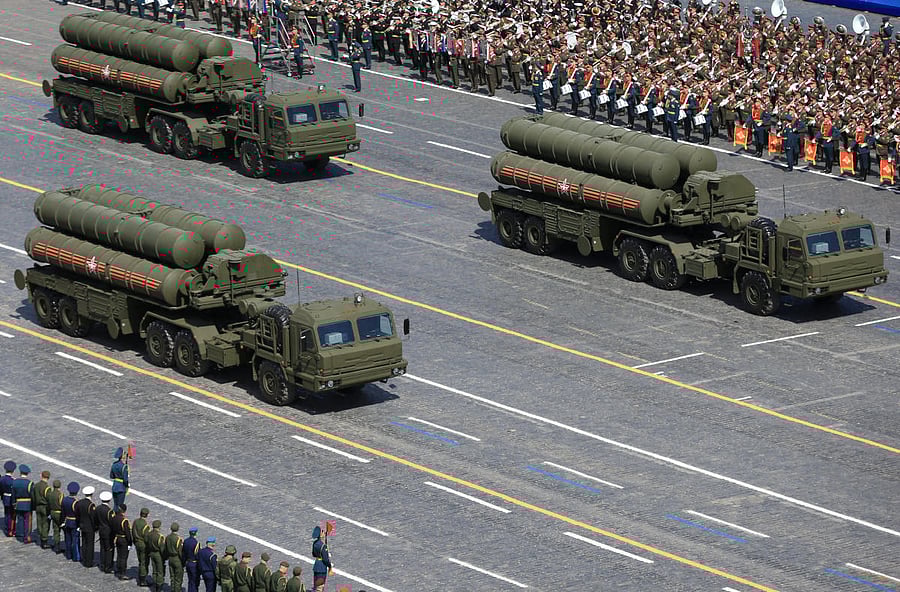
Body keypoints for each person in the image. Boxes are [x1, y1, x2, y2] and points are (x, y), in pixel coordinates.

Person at [75, 485, 97, 567]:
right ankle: (89, 562)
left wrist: (78, 524)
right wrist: (95, 527)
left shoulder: (79, 503)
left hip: (82, 525)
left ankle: (84, 559)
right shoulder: (91, 505)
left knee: (84, 543)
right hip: (90, 527)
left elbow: (77, 515)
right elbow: (93, 518)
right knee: (90, 545)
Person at [12, 463, 34, 544]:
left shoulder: (15, 482)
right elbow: (32, 495)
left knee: (20, 519)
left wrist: (14, 503)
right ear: (27, 473)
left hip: (18, 504)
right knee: (27, 521)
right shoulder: (29, 483)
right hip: (27, 504)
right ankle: (27, 537)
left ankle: (20, 534)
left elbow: (13, 494)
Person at [112, 503, 133, 580]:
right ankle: (122, 573)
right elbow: (127, 533)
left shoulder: (114, 517)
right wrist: (130, 542)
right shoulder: (124, 521)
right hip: (124, 540)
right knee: (124, 557)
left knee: (119, 555)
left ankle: (118, 569)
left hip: (117, 538)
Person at [96, 490, 115, 573]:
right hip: (108, 531)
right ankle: (108, 566)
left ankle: (102, 564)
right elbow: (111, 522)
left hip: (101, 529)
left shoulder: (98, 508)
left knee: (102, 547)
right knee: (108, 548)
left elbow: (95, 519)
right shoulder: (109, 511)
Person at [62, 482, 81, 562]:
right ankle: (76, 556)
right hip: (74, 522)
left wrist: (62, 521)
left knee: (68, 539)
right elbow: (78, 514)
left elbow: (63, 512)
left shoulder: (64, 499)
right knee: (75, 540)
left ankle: (68, 554)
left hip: (67, 521)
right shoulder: (76, 502)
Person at [33, 470, 52, 549]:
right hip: (44, 507)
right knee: (45, 524)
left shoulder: (36, 485)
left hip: (38, 506)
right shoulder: (47, 488)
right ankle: (44, 541)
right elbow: (49, 500)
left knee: (39, 522)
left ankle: (41, 537)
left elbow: (33, 497)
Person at [133, 508, 151, 586]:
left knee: (140, 560)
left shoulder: (135, 521)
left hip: (137, 543)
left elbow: (133, 532)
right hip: (143, 544)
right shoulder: (145, 525)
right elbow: (146, 538)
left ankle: (141, 576)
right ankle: (143, 580)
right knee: (144, 562)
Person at [311, 526, 332, 592]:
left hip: (316, 565)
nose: (323, 533)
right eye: (322, 532)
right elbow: (325, 560)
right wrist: (330, 566)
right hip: (322, 567)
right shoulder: (323, 546)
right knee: (320, 585)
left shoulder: (315, 543)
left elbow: (313, 554)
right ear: (320, 534)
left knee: (315, 584)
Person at [166, 523, 186, 592]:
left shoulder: (167, 537)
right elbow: (180, 552)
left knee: (172, 577)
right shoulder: (178, 539)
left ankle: (172, 589)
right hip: (177, 559)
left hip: (170, 559)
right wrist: (183, 561)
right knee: (178, 578)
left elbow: (166, 548)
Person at [110, 447, 129, 512]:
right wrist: (127, 486)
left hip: (115, 486)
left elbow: (111, 476)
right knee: (120, 506)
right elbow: (125, 480)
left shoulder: (114, 465)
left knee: (115, 505)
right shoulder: (124, 466)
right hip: (121, 488)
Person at [48, 479, 64, 553]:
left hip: (52, 512)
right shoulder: (60, 494)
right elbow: (62, 505)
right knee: (64, 529)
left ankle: (56, 545)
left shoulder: (50, 493)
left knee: (55, 530)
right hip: (59, 513)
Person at [184, 526, 202, 592]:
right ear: (196, 533)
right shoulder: (196, 543)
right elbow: (198, 556)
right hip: (194, 564)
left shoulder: (185, 541)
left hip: (188, 562)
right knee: (195, 582)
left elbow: (184, 553)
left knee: (190, 580)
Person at [1, 460, 16, 537]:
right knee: (12, 515)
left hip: (5, 498)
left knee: (7, 514)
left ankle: (7, 529)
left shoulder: (2, 479)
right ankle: (12, 530)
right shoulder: (13, 480)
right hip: (11, 499)